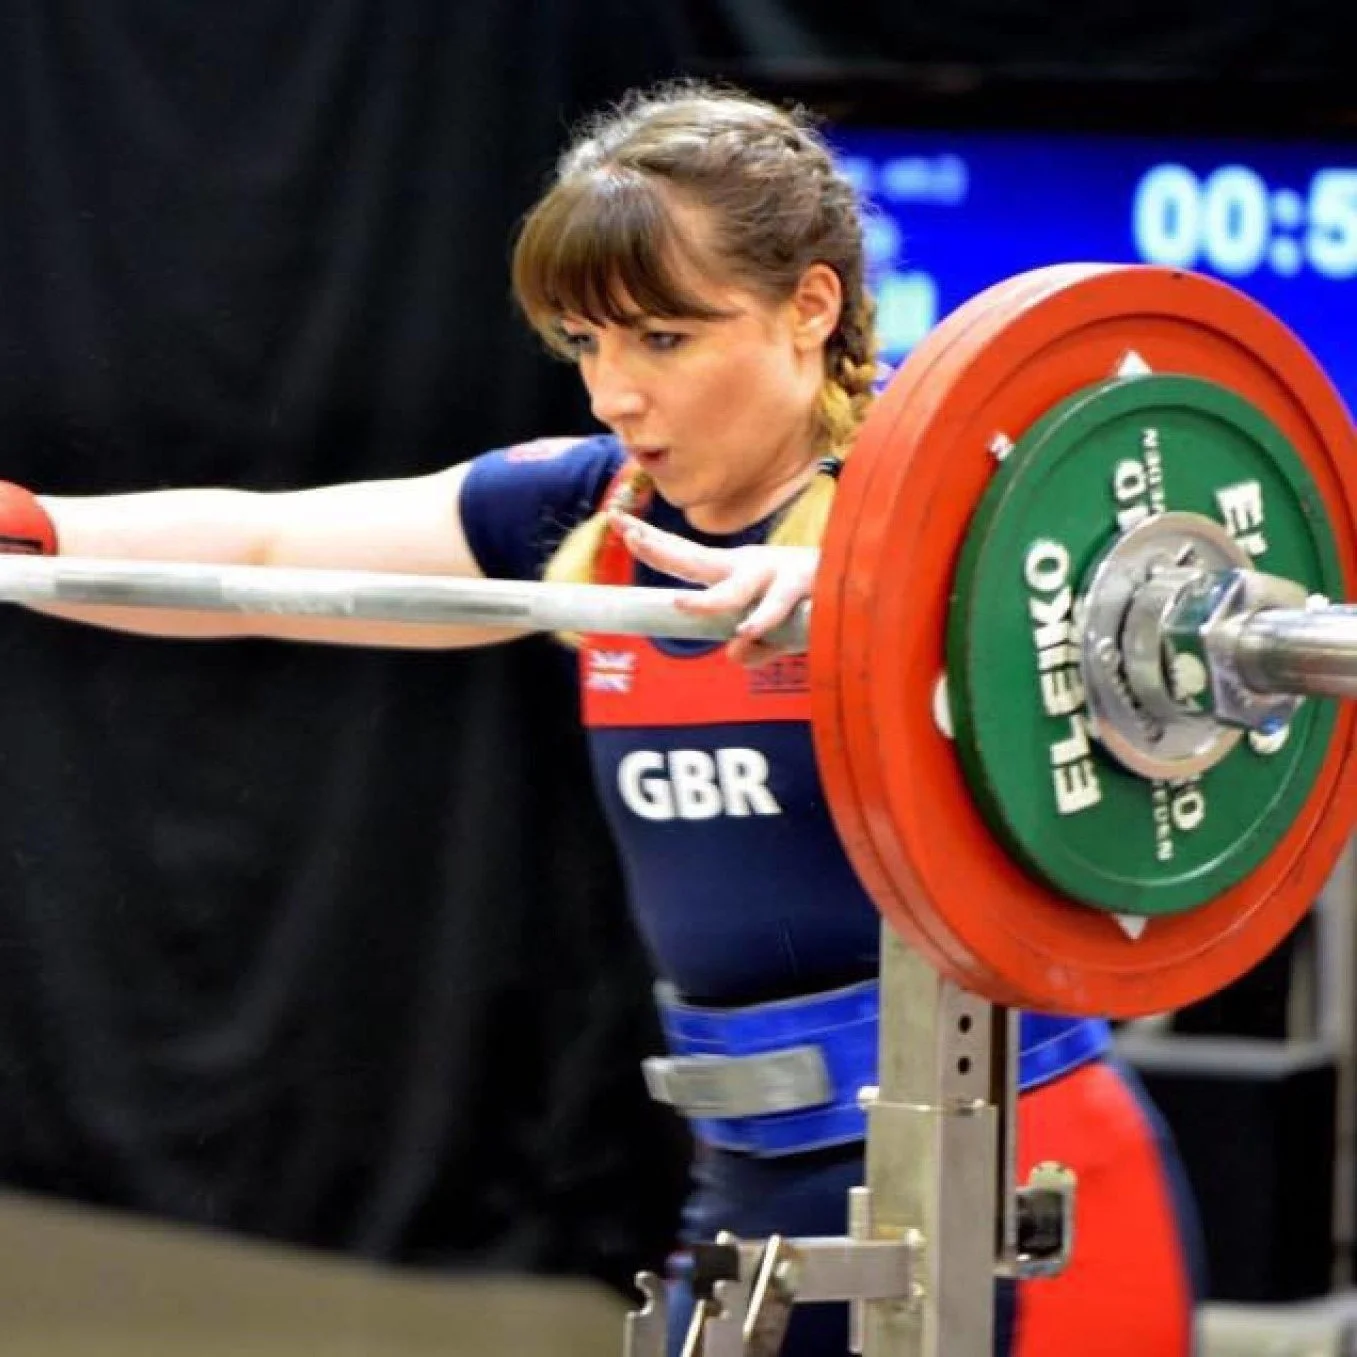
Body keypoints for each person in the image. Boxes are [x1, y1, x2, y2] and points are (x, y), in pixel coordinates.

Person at [0, 81, 1203, 1355]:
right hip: (750, 1199)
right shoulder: (589, 512)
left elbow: (1169, 632)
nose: (612, 395)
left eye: (663, 341)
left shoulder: (970, 498)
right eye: (587, 344)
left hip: (1022, 1182)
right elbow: (263, 548)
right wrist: (37, 531)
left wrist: (871, 592)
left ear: (810, 309)